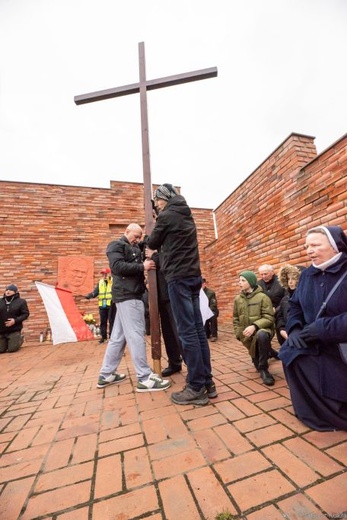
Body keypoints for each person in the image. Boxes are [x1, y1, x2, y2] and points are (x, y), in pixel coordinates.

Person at [147, 183, 216, 406]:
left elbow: (152, 242)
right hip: (194, 276)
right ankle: (207, 382)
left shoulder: (166, 216)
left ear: (164, 199)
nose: (156, 204)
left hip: (177, 278)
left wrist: (157, 217)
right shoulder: (186, 213)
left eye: (157, 201)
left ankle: (196, 387)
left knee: (186, 333)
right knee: (197, 330)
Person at [279, 225, 347, 431]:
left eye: (316, 245)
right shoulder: (307, 274)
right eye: (307, 246)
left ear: (336, 247)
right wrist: (295, 328)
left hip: (341, 345)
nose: (309, 250)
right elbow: (295, 305)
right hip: (315, 339)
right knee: (290, 352)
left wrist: (323, 328)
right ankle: (313, 411)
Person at [97, 223, 171, 393]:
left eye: (139, 237)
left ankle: (106, 374)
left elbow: (149, 242)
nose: (137, 240)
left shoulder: (135, 246)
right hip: (128, 296)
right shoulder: (116, 245)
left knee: (118, 337)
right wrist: (142, 267)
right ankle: (144, 378)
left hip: (129, 296)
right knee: (136, 335)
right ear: (126, 231)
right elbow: (117, 267)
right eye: (135, 236)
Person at [233, 271, 276, 385]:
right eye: (239, 280)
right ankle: (268, 352)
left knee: (261, 335)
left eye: (243, 280)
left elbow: (269, 318)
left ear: (251, 282)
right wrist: (238, 333)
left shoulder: (263, 297)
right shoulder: (238, 299)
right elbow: (236, 318)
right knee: (256, 361)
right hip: (246, 335)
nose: (240, 283)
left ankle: (264, 369)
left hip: (263, 330)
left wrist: (254, 326)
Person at [258, 264, 285, 357]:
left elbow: (286, 298)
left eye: (265, 274)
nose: (263, 276)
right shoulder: (258, 284)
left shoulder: (281, 281)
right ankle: (268, 352)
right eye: (261, 274)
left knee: (281, 335)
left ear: (272, 272)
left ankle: (286, 352)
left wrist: (276, 309)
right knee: (263, 336)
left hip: (280, 312)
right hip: (265, 314)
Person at [85, 268, 115, 344]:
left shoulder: (112, 281)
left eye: (106, 274)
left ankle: (112, 337)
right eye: (103, 274)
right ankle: (103, 337)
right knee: (103, 322)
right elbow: (96, 292)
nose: (104, 275)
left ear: (109, 274)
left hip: (110, 304)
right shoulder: (100, 282)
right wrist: (90, 295)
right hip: (102, 305)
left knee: (111, 321)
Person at [276, 265, 303, 345]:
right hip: (287, 335)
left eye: (293, 279)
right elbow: (280, 316)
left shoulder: (305, 296)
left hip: (301, 336)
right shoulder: (285, 299)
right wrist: (282, 329)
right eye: (288, 279)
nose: (290, 282)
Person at [0, 284, 30, 353]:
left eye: (10, 290)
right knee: (1, 350)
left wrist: (15, 321)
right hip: (1, 330)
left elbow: (25, 314)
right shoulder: (0, 301)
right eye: (7, 290)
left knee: (12, 349)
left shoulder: (21, 302)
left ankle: (20, 338)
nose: (8, 291)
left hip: (14, 329)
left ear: (15, 292)